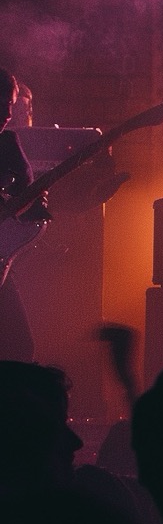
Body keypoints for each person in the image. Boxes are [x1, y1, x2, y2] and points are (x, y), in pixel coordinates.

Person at [0, 68, 49, 362]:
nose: (7, 113)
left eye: (10, 104)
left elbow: (26, 196)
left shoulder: (7, 144)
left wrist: (34, 206)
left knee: (19, 346)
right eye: (1, 104)